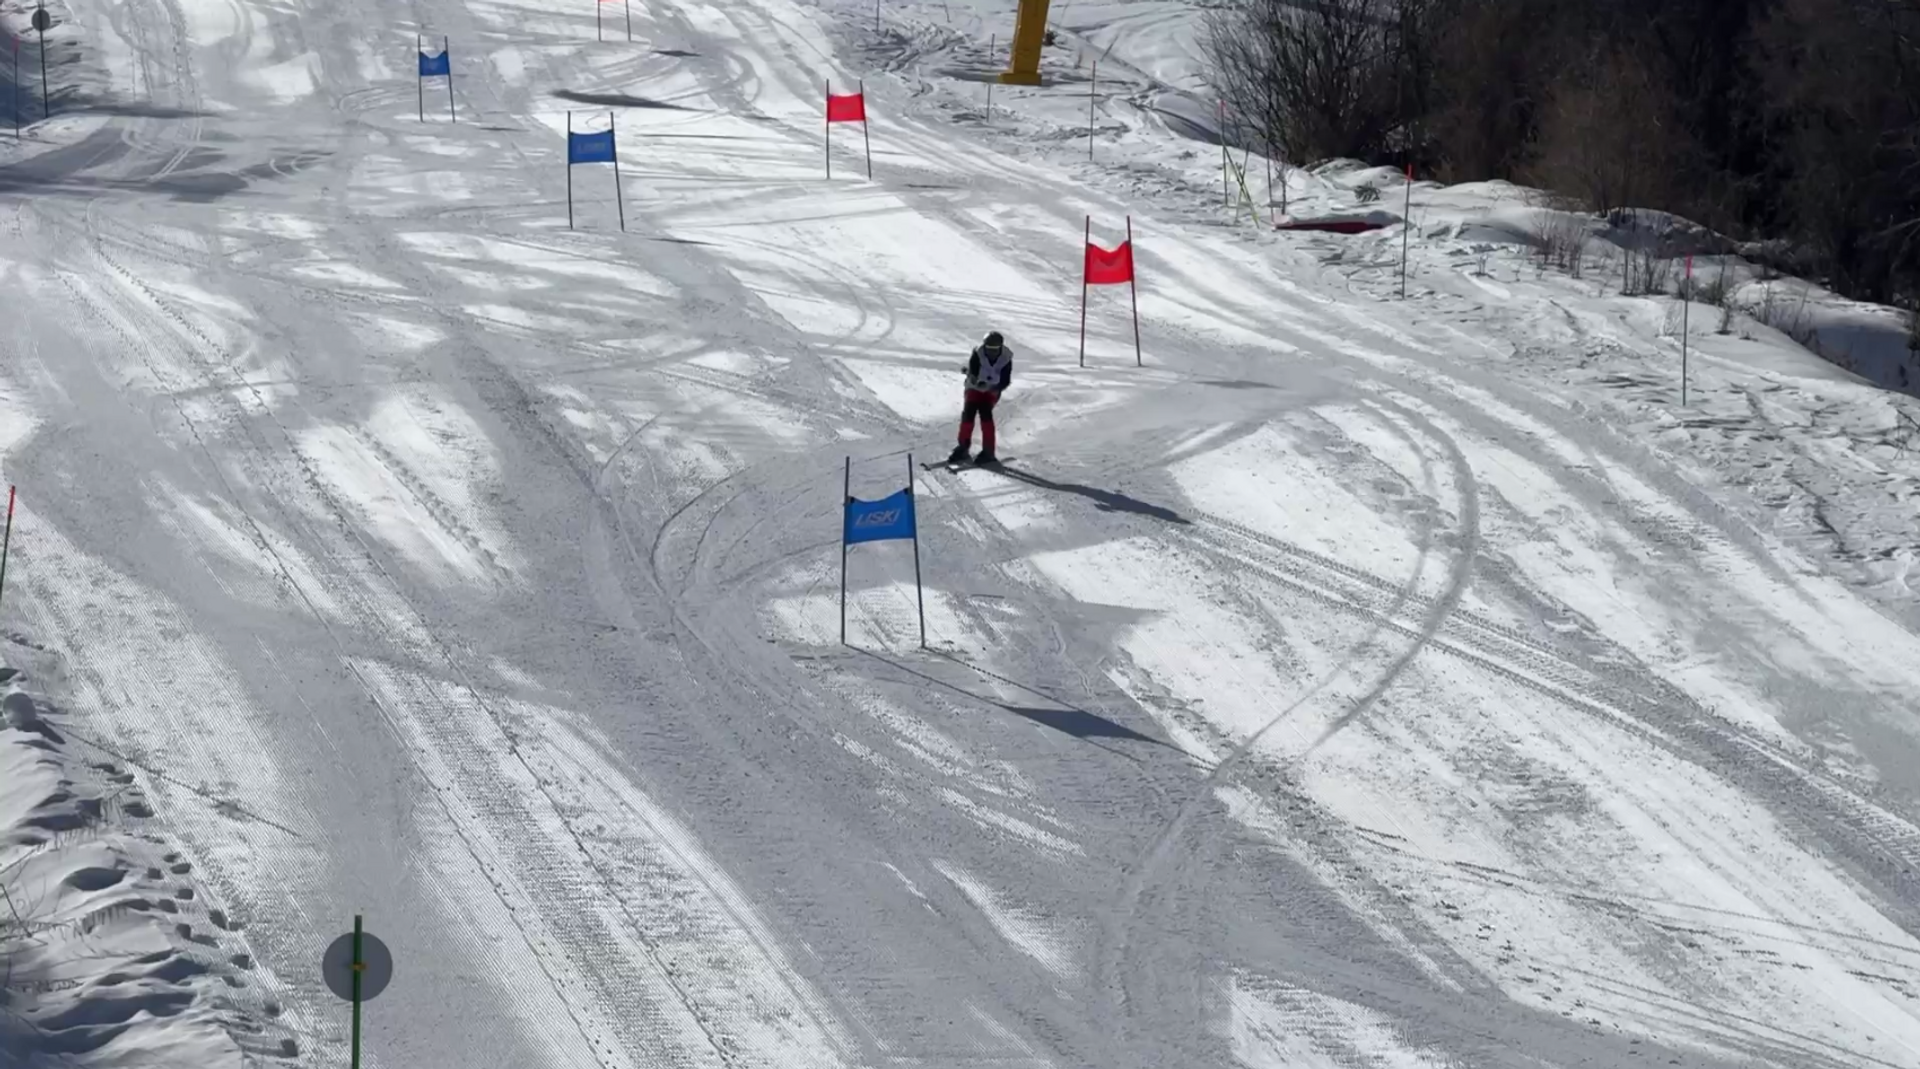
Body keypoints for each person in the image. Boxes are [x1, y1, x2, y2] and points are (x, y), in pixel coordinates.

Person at [948, 331, 1012, 465]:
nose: (991, 353)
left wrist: (992, 387)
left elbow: (1005, 381)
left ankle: (988, 451)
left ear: (1000, 347)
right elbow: (973, 371)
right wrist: (975, 380)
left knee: (985, 415)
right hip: (974, 388)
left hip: (991, 392)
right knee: (968, 414)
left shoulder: (1006, 358)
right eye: (989, 349)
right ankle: (963, 447)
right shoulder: (978, 353)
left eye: (994, 350)